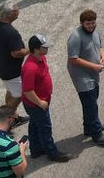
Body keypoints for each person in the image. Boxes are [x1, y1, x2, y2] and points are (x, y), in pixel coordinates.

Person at [21, 34, 69, 162]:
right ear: (36, 49)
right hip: (36, 104)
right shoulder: (30, 68)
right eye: (44, 47)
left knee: (35, 124)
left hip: (40, 102)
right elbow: (28, 91)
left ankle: (36, 149)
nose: (47, 49)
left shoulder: (41, 58)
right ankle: (52, 152)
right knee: (45, 127)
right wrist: (40, 103)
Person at [67, 9, 104, 147]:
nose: (91, 26)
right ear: (81, 23)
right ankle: (96, 133)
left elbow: (100, 46)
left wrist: (103, 57)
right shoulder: (75, 36)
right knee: (91, 103)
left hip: (93, 72)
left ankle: (88, 126)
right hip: (81, 76)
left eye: (92, 23)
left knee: (91, 101)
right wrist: (94, 66)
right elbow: (73, 59)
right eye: (88, 24)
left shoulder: (95, 32)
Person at [0, 3, 29, 125]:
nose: (18, 11)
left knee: (11, 90)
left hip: (0, 66)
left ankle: (14, 116)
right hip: (11, 71)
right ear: (10, 14)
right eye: (17, 10)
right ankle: (5, 120)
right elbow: (16, 53)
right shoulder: (11, 32)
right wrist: (31, 49)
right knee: (19, 94)